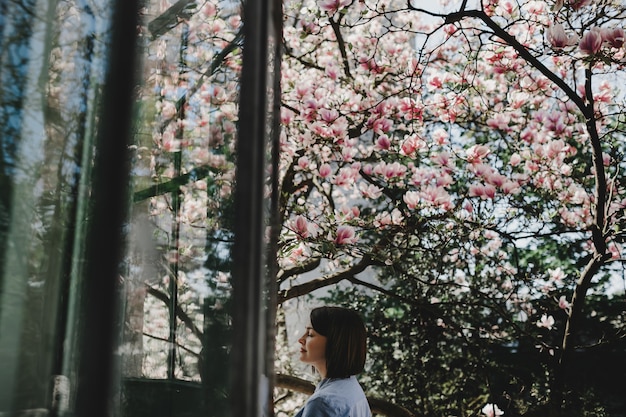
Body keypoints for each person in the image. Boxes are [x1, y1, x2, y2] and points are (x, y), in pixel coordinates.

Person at [294, 306, 371, 417]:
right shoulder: (350, 387)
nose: (301, 339)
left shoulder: (322, 403)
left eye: (310, 334)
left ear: (335, 342)